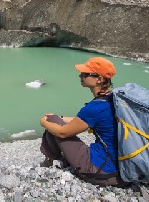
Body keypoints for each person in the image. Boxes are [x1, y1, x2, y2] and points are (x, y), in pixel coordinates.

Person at [39, 56, 125, 186]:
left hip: (100, 171)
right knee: (55, 120)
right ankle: (57, 160)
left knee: (52, 125)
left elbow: (63, 133)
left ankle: (49, 162)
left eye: (85, 74)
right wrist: (60, 118)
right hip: (119, 168)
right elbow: (84, 120)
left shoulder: (95, 107)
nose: (80, 76)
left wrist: (44, 122)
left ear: (99, 79)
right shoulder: (111, 99)